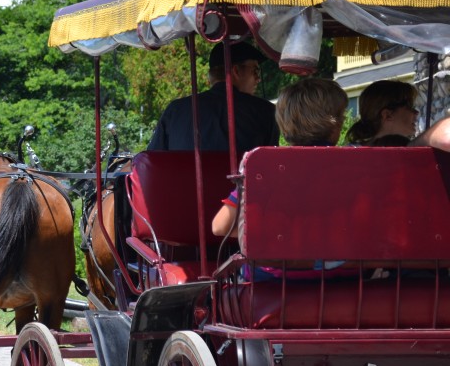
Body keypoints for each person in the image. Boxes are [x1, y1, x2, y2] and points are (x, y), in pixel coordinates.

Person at [212, 78, 347, 238]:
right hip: (337, 261)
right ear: (336, 124)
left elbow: (219, 227)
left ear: (283, 122)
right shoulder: (351, 164)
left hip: (275, 262)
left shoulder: (265, 166)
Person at [148, 41, 280, 154]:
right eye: (255, 71)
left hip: (186, 184)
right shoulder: (266, 111)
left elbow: (153, 160)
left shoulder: (175, 111)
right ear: (236, 71)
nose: (258, 79)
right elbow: (269, 165)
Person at [345, 80, 450, 149]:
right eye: (409, 106)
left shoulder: (350, 152)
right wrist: (413, 145)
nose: (416, 112)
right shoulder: (351, 154)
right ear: (387, 115)